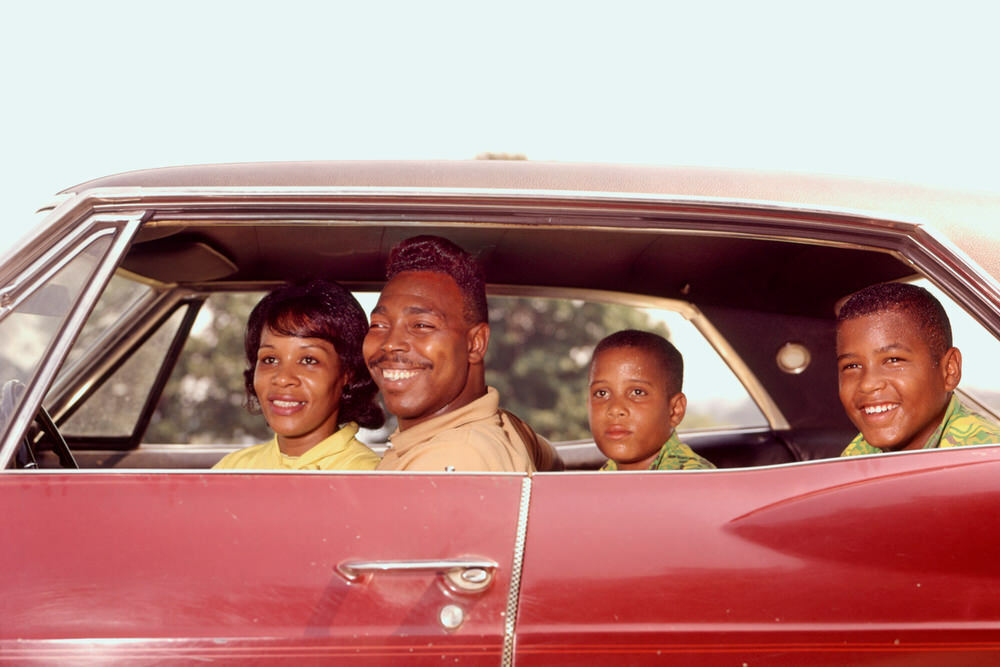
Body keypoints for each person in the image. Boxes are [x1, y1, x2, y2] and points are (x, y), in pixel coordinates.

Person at [364, 235, 557, 472]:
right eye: (379, 325)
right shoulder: (509, 427)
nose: (390, 343)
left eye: (422, 325)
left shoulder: (450, 461)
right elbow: (553, 458)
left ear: (475, 343)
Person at [213, 280, 383, 470]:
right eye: (270, 360)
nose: (283, 378)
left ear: (348, 373)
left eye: (308, 360)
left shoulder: (368, 476)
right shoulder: (231, 469)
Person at [836, 282, 1000, 456]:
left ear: (949, 370)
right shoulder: (855, 456)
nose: (867, 384)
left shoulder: (985, 460)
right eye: (852, 366)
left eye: (893, 360)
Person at [588, 330, 715, 471]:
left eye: (637, 392)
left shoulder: (694, 481)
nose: (615, 409)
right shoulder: (604, 475)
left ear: (675, 410)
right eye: (601, 393)